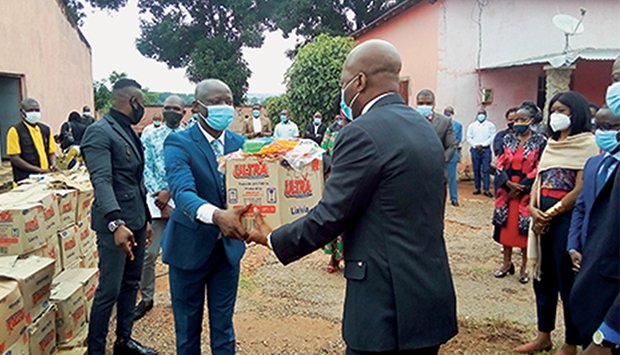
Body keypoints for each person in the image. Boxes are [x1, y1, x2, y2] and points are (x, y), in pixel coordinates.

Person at [246, 39, 458, 355]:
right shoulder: (423, 127)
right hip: (428, 296)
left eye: (343, 83)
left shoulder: (360, 131)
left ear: (359, 81)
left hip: (386, 308)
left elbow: (330, 216)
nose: (343, 92)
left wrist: (273, 238)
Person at [163, 79, 250, 355]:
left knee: (223, 329)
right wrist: (216, 216)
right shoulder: (179, 142)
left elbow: (254, 189)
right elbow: (182, 192)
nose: (224, 107)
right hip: (188, 251)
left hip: (226, 252)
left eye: (228, 101)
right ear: (197, 107)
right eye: (215, 102)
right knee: (188, 332)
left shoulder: (240, 143)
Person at [517, 91, 599, 355]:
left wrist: (550, 213)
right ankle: (544, 336)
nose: (556, 116)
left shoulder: (586, 144)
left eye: (562, 111)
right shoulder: (550, 144)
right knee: (543, 279)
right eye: (553, 110)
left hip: (565, 220)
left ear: (576, 113)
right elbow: (539, 180)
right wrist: (532, 208)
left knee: (567, 283)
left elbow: (580, 189)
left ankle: (571, 343)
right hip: (540, 220)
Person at [81, 79, 157, 355]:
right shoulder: (99, 132)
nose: (144, 109)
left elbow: (135, 182)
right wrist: (116, 223)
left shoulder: (127, 130)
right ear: (131, 102)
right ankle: (96, 350)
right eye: (142, 103)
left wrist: (145, 219)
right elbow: (101, 181)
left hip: (135, 221)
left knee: (130, 285)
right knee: (108, 290)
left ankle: (123, 341)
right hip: (116, 227)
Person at [568, 56, 620, 355]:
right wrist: (575, 245)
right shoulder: (595, 164)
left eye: (610, 126)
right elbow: (584, 207)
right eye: (615, 78)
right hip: (593, 271)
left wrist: (608, 335)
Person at [134, 95, 186, 321]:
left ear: (184, 113)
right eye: (167, 108)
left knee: (182, 254)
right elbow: (147, 169)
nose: (171, 111)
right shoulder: (151, 136)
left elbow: (188, 170)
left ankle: (181, 297)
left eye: (176, 108)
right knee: (149, 254)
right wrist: (161, 200)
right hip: (156, 203)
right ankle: (146, 298)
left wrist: (171, 194)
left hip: (183, 202)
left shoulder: (189, 137)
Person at [492, 102, 546, 284]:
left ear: (531, 120)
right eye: (516, 120)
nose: (518, 123)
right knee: (506, 229)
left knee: (523, 230)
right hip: (506, 190)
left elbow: (540, 166)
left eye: (522, 119)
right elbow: (500, 162)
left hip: (525, 191)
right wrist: (507, 184)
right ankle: (506, 264)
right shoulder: (508, 139)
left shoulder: (540, 141)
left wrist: (522, 186)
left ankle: (524, 267)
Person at [321, 112, 351, 273]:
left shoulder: (360, 129)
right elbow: (323, 153)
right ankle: (334, 259)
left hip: (353, 181)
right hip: (333, 179)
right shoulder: (331, 131)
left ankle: (351, 259)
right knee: (333, 217)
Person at [7, 98, 57, 183]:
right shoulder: (15, 131)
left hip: (46, 177)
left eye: (37, 110)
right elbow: (14, 158)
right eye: (30, 110)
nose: (34, 113)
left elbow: (51, 152)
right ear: (22, 113)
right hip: (25, 179)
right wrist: (38, 170)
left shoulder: (46, 130)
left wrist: (53, 164)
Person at [415, 90, 457, 178]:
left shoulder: (444, 122)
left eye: (428, 103)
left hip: (437, 172)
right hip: (414, 172)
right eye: (421, 103)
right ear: (416, 104)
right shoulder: (408, 120)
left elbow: (451, 145)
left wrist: (441, 161)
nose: (424, 106)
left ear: (434, 104)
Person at [467, 108, 496, 197]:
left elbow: (492, 137)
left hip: (485, 149)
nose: (481, 115)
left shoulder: (490, 125)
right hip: (475, 149)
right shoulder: (472, 126)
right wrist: (475, 145)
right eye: (479, 113)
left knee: (486, 170)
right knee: (476, 169)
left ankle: (486, 189)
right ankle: (477, 188)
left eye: (482, 113)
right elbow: (469, 137)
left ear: (486, 115)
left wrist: (483, 145)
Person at [444, 106, 463, 206]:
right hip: (440, 154)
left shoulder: (458, 126)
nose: (448, 114)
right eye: (446, 112)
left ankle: (454, 198)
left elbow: (458, 140)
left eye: (449, 112)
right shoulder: (439, 124)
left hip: (452, 155)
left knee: (452, 178)